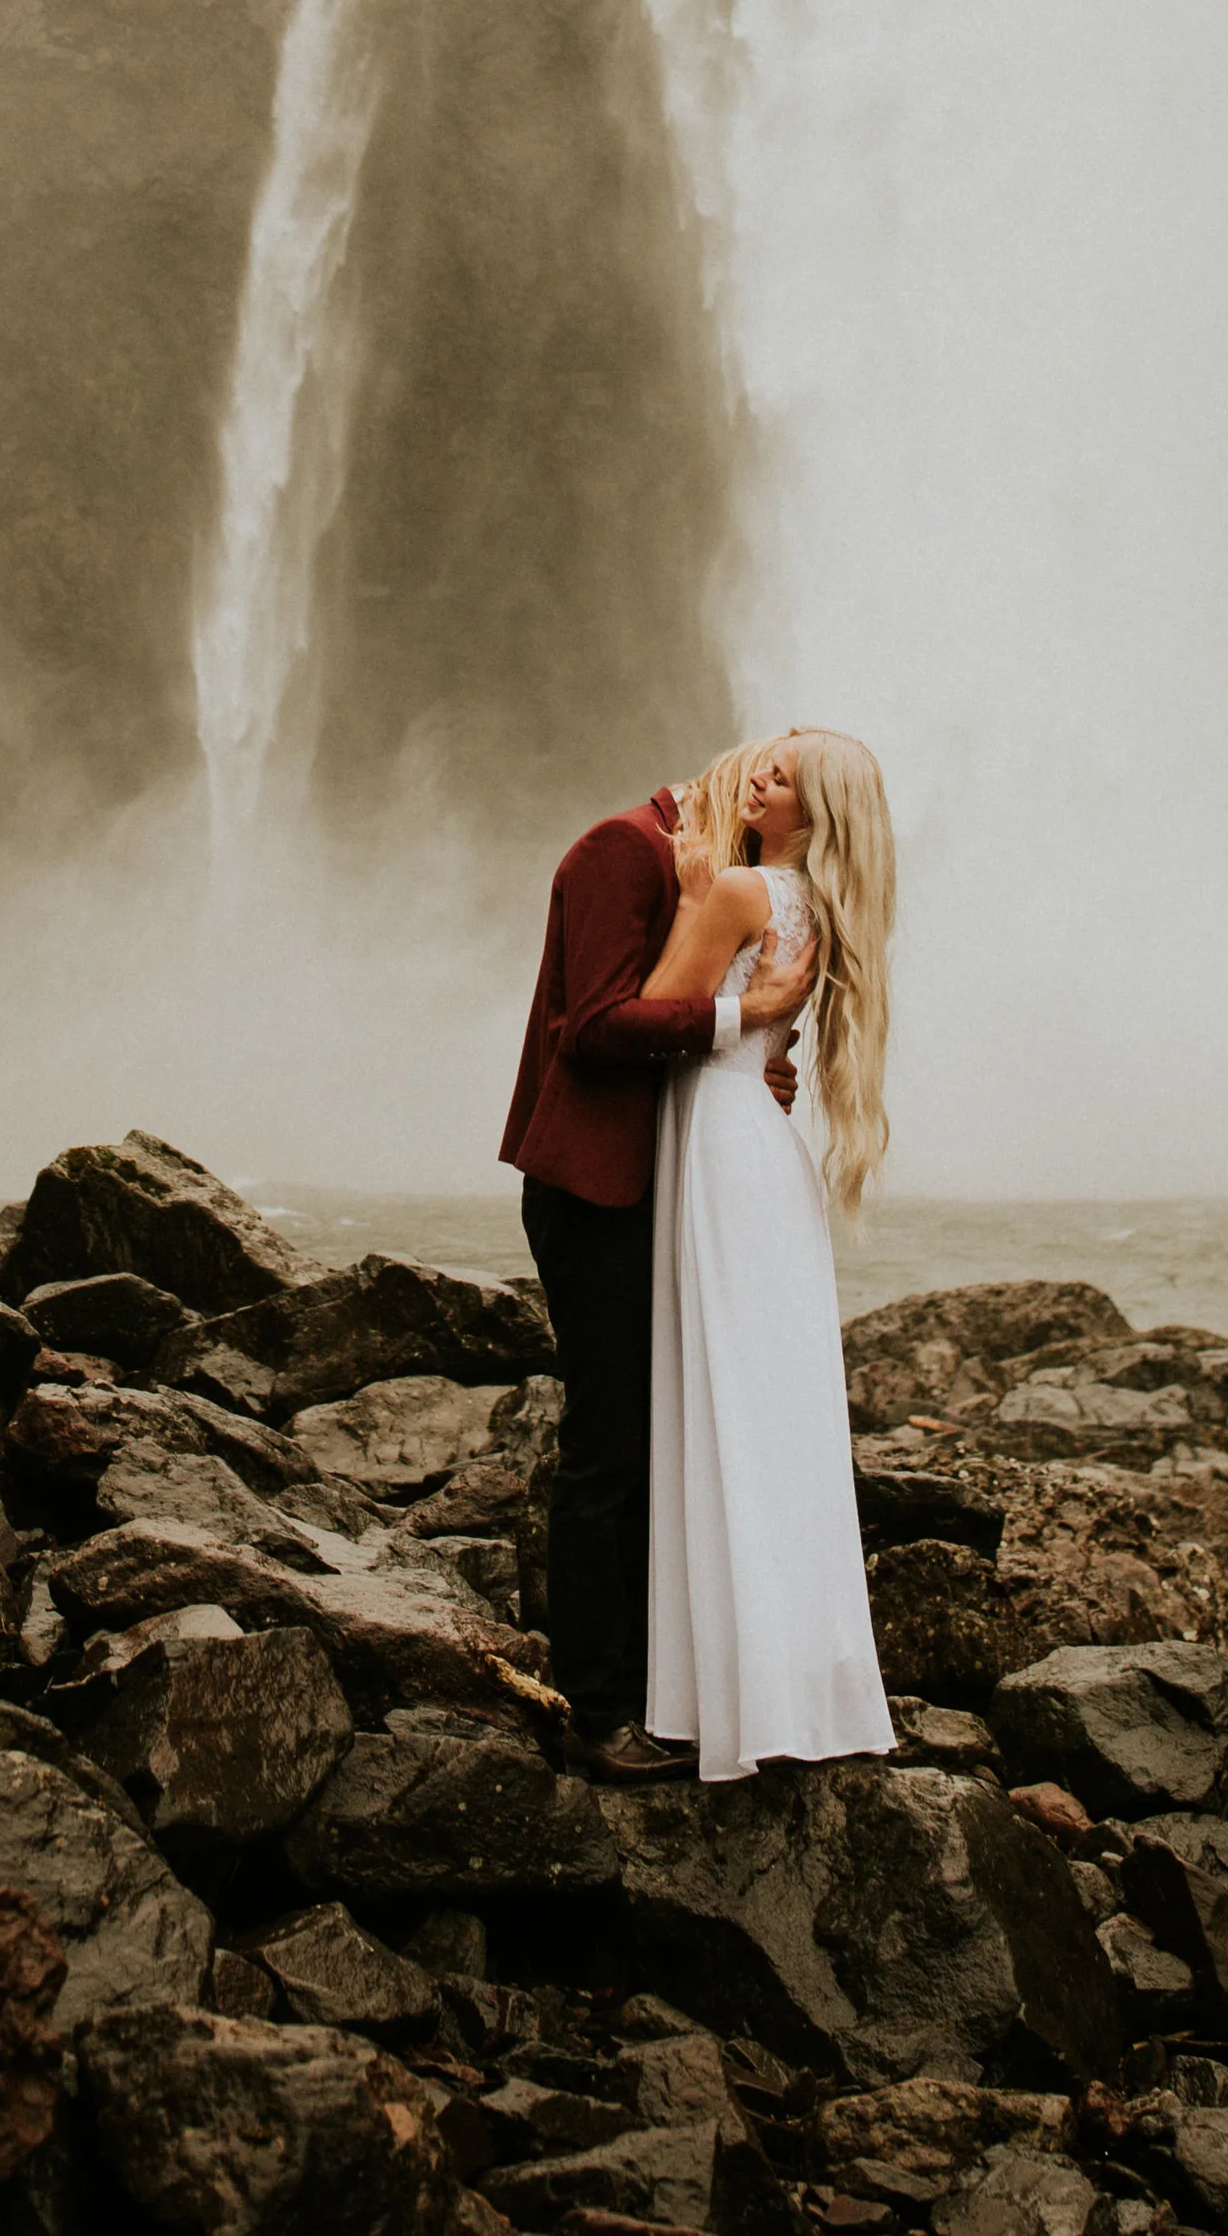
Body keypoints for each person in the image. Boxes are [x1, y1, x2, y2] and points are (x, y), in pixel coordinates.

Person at [500, 747, 817, 1781]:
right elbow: (590, 1028)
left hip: (662, 1187)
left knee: (655, 1437)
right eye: (760, 775)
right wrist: (746, 1019)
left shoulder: (698, 870)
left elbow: (678, 1026)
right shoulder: (617, 851)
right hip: (593, 1190)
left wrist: (747, 1075)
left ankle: (661, 1684)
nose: (761, 796)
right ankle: (593, 1713)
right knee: (609, 1443)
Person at [639, 727, 896, 1780]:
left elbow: (651, 1012)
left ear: (811, 815)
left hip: (719, 1146)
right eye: (765, 760)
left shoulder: (744, 891)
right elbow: (760, 1045)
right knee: (773, 1414)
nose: (758, 774)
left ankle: (722, 1700)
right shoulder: (822, 912)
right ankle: (794, 1685)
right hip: (760, 1144)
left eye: (783, 777)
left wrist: (697, 889)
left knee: (723, 1409)